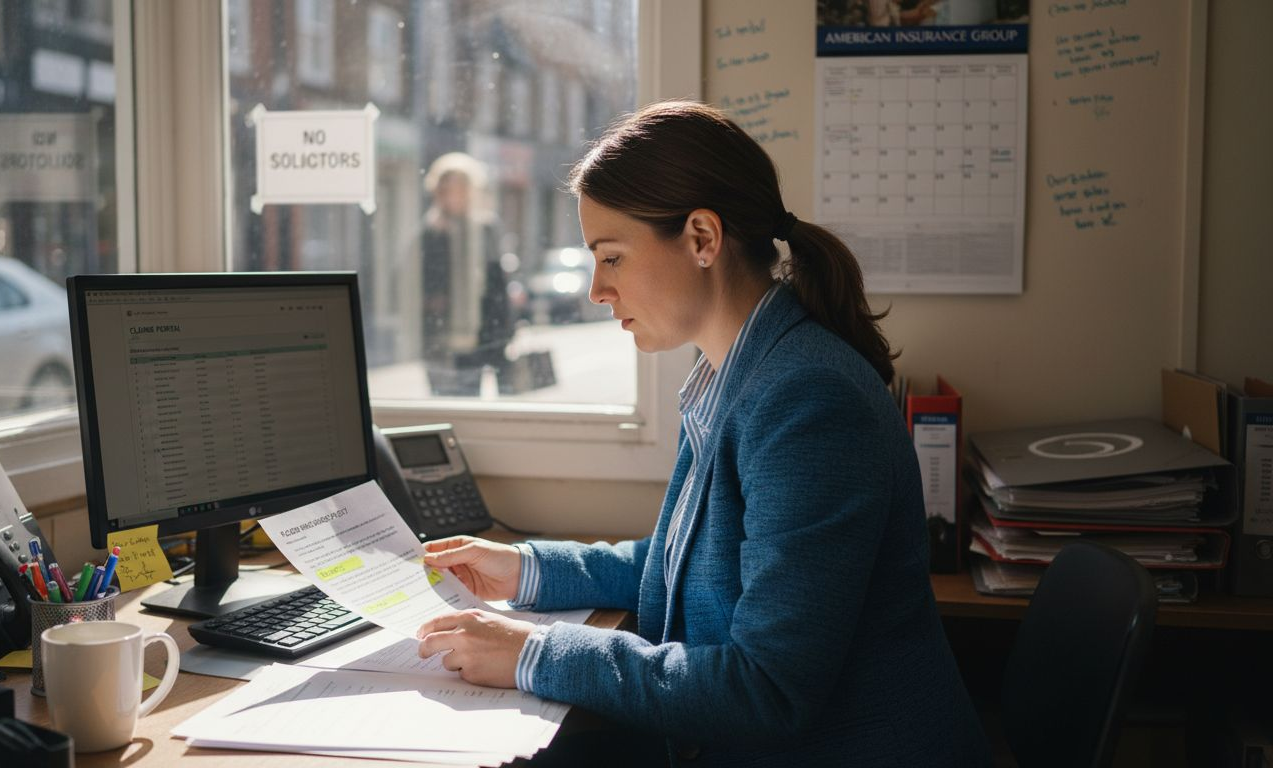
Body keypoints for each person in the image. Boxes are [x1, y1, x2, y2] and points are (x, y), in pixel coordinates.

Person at [415, 101, 990, 767]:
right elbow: (681, 562)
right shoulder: (729, 371)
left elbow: (766, 693)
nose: (597, 290)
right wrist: (524, 569)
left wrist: (534, 653)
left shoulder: (809, 400)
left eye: (613, 257)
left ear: (702, 239)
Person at [417, 152, 513, 392]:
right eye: (446, 189)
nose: (453, 196)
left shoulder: (485, 227)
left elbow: (497, 281)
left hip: (479, 336)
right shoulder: (429, 232)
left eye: (460, 188)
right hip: (439, 337)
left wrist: (504, 331)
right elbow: (414, 280)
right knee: (444, 403)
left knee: (470, 401)